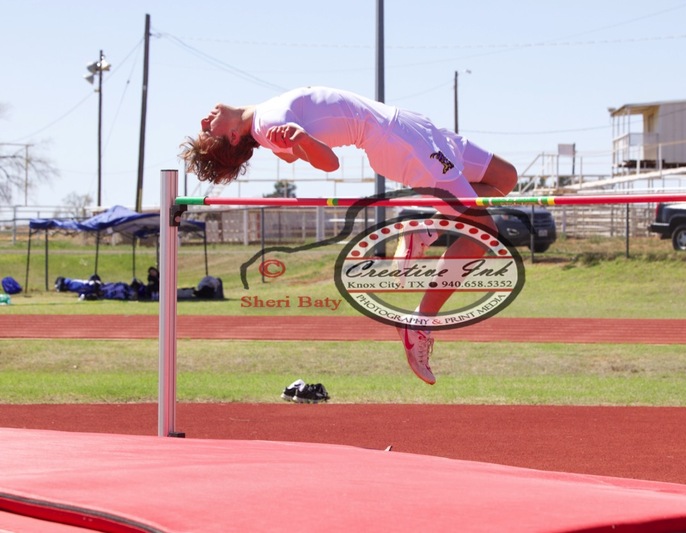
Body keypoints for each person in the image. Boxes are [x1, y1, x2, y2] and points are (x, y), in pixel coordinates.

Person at [180, 86, 517, 385]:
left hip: (409, 126)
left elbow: (291, 151)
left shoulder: (263, 125)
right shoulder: (268, 123)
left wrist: (296, 146)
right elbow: (329, 163)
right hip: (401, 142)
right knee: (483, 232)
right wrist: (303, 142)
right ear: (234, 137)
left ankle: (426, 230)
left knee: (505, 178)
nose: (204, 122)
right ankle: (419, 321)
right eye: (209, 131)